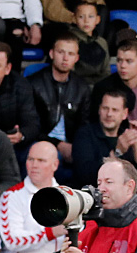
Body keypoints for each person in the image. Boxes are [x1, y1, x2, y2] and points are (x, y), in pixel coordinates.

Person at [29, 32, 92, 160]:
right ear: (51, 54)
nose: (65, 58)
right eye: (61, 52)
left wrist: (76, 147)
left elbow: (85, 127)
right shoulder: (33, 84)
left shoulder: (82, 87)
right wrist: (58, 145)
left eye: (71, 54)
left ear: (77, 58)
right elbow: (31, 127)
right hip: (41, 144)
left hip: (73, 146)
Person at [71, 89, 137, 188]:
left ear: (124, 114)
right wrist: (116, 153)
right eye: (105, 108)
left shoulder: (127, 137)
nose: (109, 114)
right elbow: (85, 175)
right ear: (99, 110)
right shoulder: (85, 134)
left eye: (115, 110)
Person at [92, 41, 137, 138]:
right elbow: (94, 125)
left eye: (129, 61)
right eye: (119, 60)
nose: (123, 66)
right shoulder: (102, 88)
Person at [68, 2, 110, 84]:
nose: (86, 21)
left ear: (98, 19)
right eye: (81, 17)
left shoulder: (102, 42)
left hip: (99, 86)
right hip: (78, 86)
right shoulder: (69, 41)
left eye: (91, 16)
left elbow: (106, 71)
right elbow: (69, 73)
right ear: (74, 18)